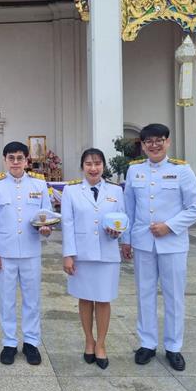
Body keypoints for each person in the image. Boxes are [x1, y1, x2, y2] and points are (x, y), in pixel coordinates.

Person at [122, 123, 196, 372]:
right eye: (149, 142)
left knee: (174, 297)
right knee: (144, 294)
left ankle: (173, 347)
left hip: (172, 244)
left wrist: (170, 226)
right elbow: (129, 209)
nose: (154, 145)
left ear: (167, 142)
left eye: (159, 140)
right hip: (143, 243)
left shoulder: (182, 170)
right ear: (143, 145)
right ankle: (147, 344)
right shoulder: (134, 171)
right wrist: (125, 240)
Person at [0, 141, 52, 365]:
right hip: (5, 252)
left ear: (26, 160)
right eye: (11, 158)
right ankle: (9, 343)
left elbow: (47, 216)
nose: (15, 162)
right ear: (4, 160)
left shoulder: (39, 185)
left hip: (31, 250)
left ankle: (31, 342)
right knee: (7, 301)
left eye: (19, 158)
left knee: (32, 300)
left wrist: (46, 229)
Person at [61, 148, 125, 370]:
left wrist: (121, 235)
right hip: (82, 254)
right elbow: (67, 224)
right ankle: (89, 340)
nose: (93, 168)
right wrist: (68, 255)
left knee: (104, 299)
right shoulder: (71, 192)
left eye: (97, 163)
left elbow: (122, 219)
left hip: (107, 252)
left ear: (104, 166)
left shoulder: (116, 191)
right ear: (82, 167)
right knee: (86, 299)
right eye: (88, 164)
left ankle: (102, 344)